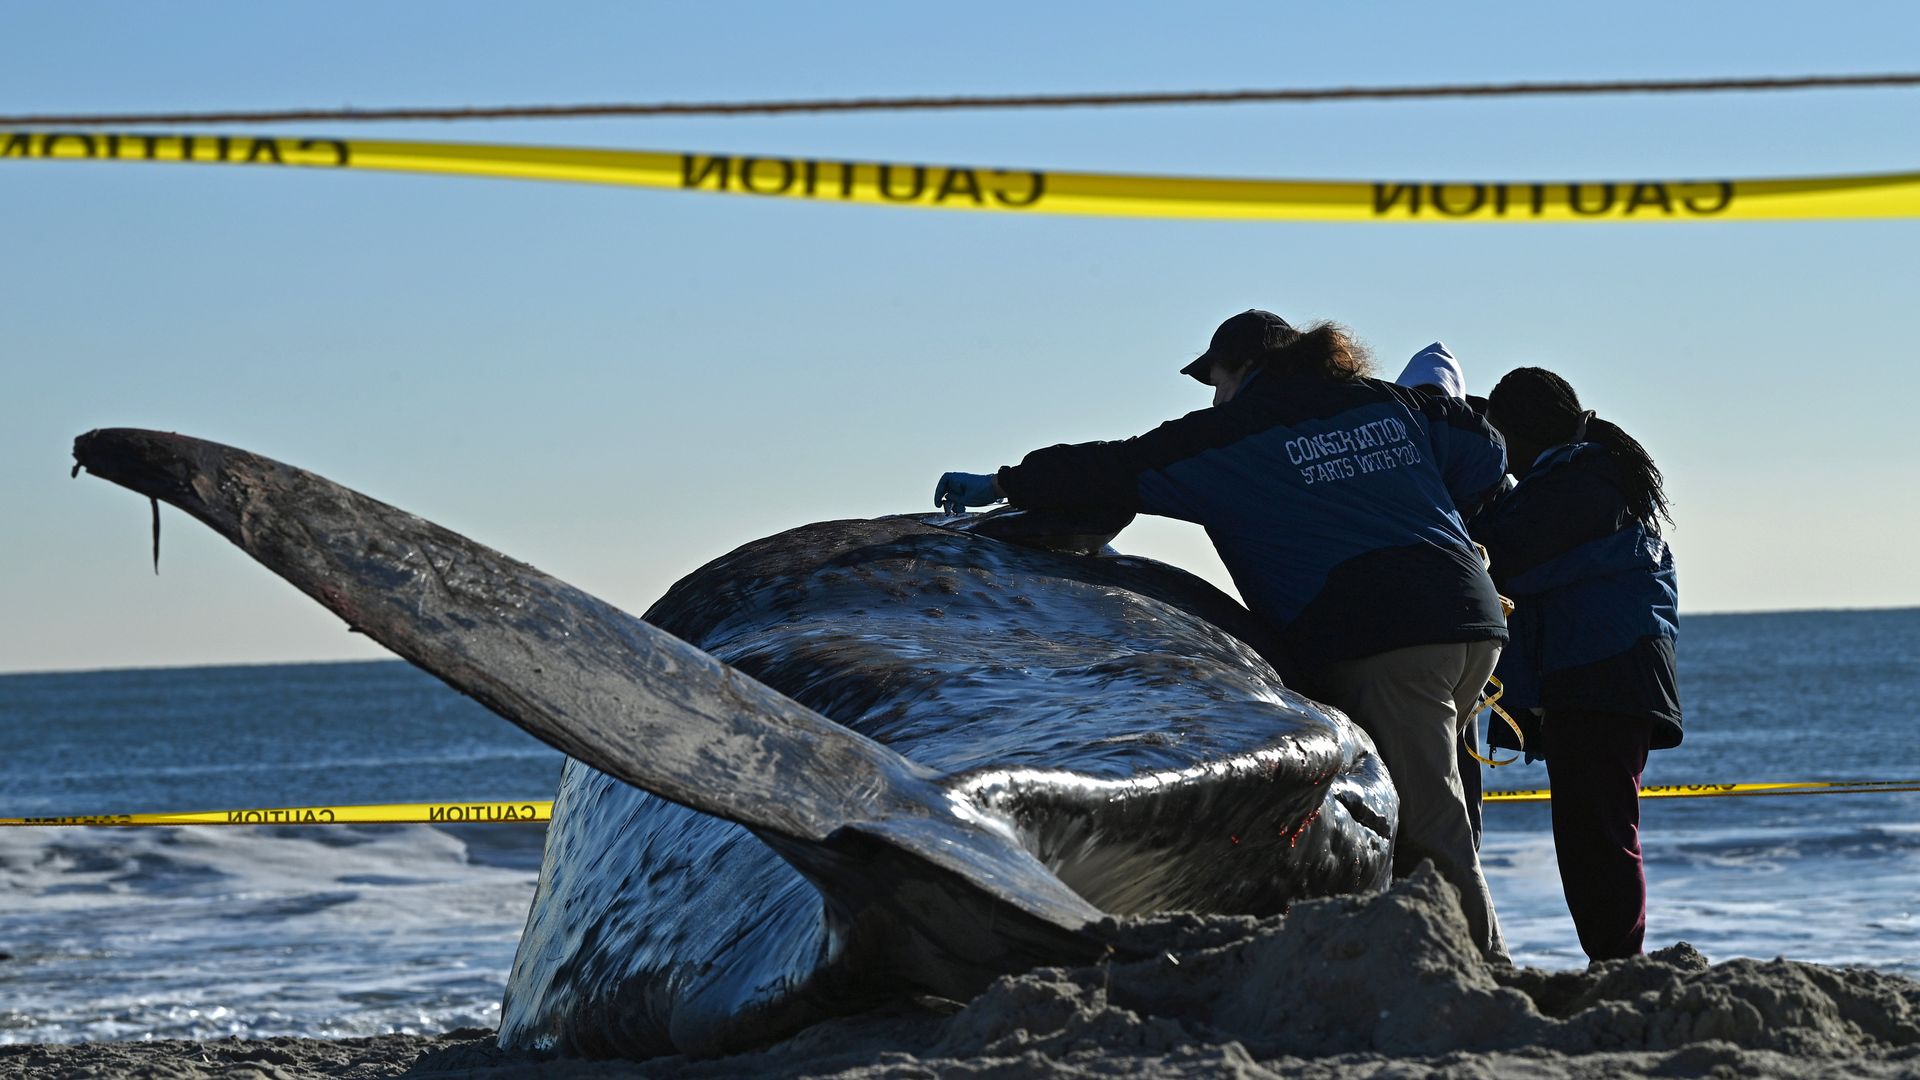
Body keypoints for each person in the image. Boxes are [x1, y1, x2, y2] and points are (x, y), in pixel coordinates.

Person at [935, 310, 1514, 961]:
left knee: (1428, 823)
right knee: (1423, 797)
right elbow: (1483, 444)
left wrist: (1002, 482)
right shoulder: (1389, 405)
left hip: (1387, 638)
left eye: (1215, 380)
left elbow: (1117, 466)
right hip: (1472, 620)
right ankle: (1410, 955)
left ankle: (1482, 968)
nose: (1213, 396)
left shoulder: (1235, 434)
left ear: (1242, 369)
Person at [1470, 367, 1683, 963]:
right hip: (1607, 677)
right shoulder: (1588, 475)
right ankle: (1613, 959)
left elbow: (1497, 552)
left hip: (1602, 678)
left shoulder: (1577, 485)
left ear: (1520, 433)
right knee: (1597, 830)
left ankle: (1617, 962)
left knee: (1597, 835)